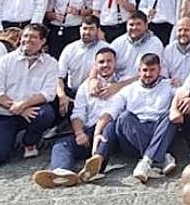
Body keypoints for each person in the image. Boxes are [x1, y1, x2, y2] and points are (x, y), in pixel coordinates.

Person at [33, 46, 123, 189]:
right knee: (62, 144)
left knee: (109, 127)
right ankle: (62, 173)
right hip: (88, 131)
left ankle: (97, 163)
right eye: (101, 62)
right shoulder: (85, 86)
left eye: (109, 61)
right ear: (95, 65)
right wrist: (79, 133)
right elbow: (78, 113)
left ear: (115, 63)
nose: (105, 65)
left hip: (110, 133)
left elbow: (111, 114)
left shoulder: (122, 86)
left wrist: (97, 133)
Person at [0, 25, 58, 166]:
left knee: (46, 114)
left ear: (43, 41)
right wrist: (19, 109)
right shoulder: (5, 61)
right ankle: (10, 138)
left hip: (31, 111)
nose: (28, 40)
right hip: (3, 114)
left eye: (33, 37)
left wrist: (23, 105)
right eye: (25, 36)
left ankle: (29, 141)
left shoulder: (51, 63)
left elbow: (48, 94)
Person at [114, 52, 177, 183]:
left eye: (152, 70)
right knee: (124, 117)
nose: (148, 74)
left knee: (170, 116)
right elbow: (112, 110)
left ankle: (146, 162)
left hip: (159, 130)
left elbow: (182, 95)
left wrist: (181, 93)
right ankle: (162, 156)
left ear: (159, 70)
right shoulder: (129, 89)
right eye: (144, 70)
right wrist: (99, 131)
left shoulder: (169, 85)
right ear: (139, 70)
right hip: (136, 133)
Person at [57, 16, 104, 101]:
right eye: (84, 28)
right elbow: (59, 76)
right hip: (72, 94)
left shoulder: (105, 48)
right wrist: (62, 96)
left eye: (91, 29)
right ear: (80, 29)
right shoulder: (70, 49)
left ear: (97, 30)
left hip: (97, 94)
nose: (87, 32)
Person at [110, 13, 166, 83]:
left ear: (146, 25)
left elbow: (150, 73)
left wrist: (119, 86)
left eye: (138, 24)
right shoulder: (118, 42)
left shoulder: (155, 43)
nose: (134, 28)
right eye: (131, 25)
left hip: (143, 84)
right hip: (117, 83)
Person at [161, 19, 190, 85]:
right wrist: (169, 81)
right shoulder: (169, 50)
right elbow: (163, 75)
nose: (182, 33)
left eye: (186, 30)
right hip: (173, 88)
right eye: (180, 30)